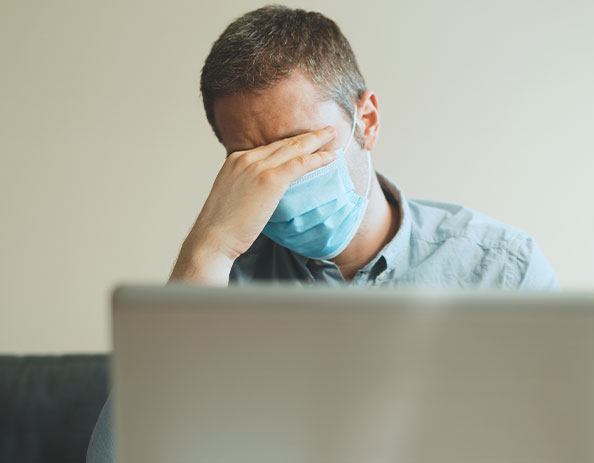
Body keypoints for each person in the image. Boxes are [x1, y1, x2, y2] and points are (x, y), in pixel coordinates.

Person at [86, 6, 558, 462]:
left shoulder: (500, 268)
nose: (282, 178)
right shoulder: (220, 287)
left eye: (302, 146)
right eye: (251, 163)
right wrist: (208, 251)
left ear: (366, 122)